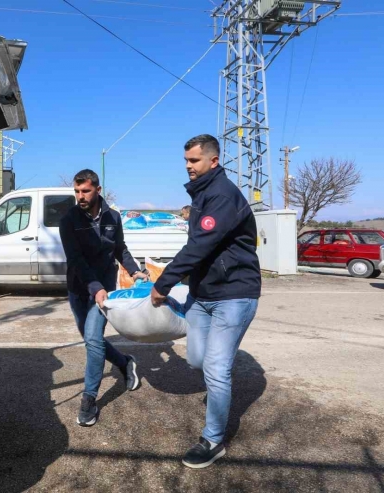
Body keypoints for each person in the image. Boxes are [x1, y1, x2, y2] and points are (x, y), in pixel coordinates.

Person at [150, 134, 261, 468]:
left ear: (213, 161)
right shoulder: (202, 195)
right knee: (197, 359)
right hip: (203, 295)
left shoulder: (223, 195)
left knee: (214, 367)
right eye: (186, 161)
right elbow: (199, 249)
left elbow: (200, 246)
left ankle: (213, 440)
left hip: (235, 294)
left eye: (194, 161)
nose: (188, 166)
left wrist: (164, 283)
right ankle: (220, 376)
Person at [60, 169, 149, 427]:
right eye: (77, 191)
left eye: (85, 191)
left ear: (98, 190)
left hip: (105, 292)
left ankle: (89, 399)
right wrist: (94, 287)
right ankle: (125, 363)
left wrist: (134, 271)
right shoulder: (69, 220)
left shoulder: (113, 217)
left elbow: (120, 248)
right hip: (80, 288)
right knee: (92, 340)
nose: (80, 196)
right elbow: (75, 259)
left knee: (93, 339)